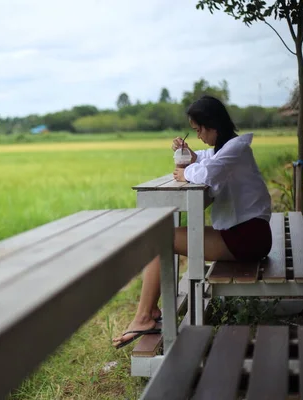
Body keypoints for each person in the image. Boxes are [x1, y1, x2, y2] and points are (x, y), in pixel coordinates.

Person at [112, 95, 273, 349]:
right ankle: (149, 313)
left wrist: (185, 172)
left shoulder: (236, 149)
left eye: (199, 129)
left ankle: (144, 317)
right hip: (246, 234)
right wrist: (186, 153)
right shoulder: (228, 148)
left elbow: (208, 172)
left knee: (160, 238)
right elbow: (207, 160)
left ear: (212, 126)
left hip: (247, 239)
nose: (198, 135)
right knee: (164, 234)